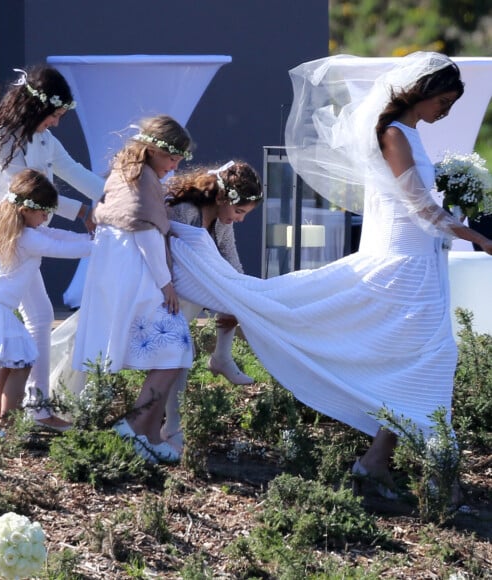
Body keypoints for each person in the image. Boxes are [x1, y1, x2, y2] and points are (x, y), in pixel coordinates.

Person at [166, 52, 492, 498]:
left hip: (422, 262)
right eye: (445, 101)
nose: (446, 111)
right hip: (404, 264)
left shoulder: (410, 134)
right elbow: (418, 206)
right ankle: (436, 472)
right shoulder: (394, 134)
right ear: (423, 91)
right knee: (430, 357)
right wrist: (480, 237)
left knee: (421, 358)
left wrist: (455, 202)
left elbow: (422, 204)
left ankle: (378, 461)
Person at [0, 65, 105, 433]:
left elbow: (76, 172)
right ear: (37, 109)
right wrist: (82, 212)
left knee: (39, 316)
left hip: (21, 235)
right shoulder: (5, 139)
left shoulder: (43, 140)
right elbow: (23, 191)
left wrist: (118, 199)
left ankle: (38, 409)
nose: (56, 123)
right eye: (54, 115)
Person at [72, 115, 194, 463]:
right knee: (174, 349)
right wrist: (165, 283)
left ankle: (151, 436)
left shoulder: (123, 173)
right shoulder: (142, 179)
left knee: (171, 350)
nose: (176, 164)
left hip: (116, 269)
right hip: (134, 272)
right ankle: (132, 426)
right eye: (173, 157)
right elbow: (145, 233)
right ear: (154, 149)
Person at [0, 169, 93, 431]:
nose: (47, 218)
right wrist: (104, 243)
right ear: (27, 209)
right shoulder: (27, 238)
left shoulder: (10, 228)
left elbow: (57, 236)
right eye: (43, 213)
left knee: (13, 360)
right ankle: (8, 422)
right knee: (23, 360)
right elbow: (63, 248)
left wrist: (93, 237)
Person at [161, 160, 263, 453]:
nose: (240, 219)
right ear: (222, 198)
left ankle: (221, 356)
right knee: (181, 353)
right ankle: (172, 428)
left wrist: (242, 297)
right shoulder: (185, 211)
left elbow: (232, 263)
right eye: (239, 211)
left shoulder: (221, 220)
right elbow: (172, 254)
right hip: (169, 289)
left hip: (192, 291)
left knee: (236, 297)